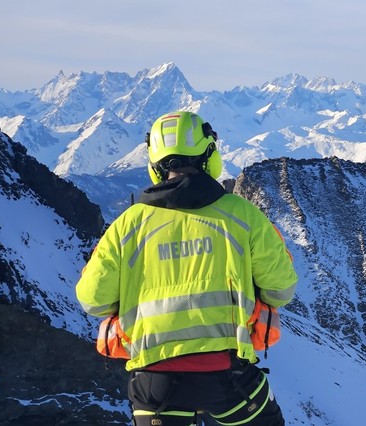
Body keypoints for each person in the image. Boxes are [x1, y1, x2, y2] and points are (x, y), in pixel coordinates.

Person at [76, 111, 298, 426]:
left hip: (154, 385)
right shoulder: (243, 216)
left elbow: (93, 300)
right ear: (209, 156)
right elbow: (280, 289)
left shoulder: (127, 226)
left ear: (154, 166)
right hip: (228, 379)